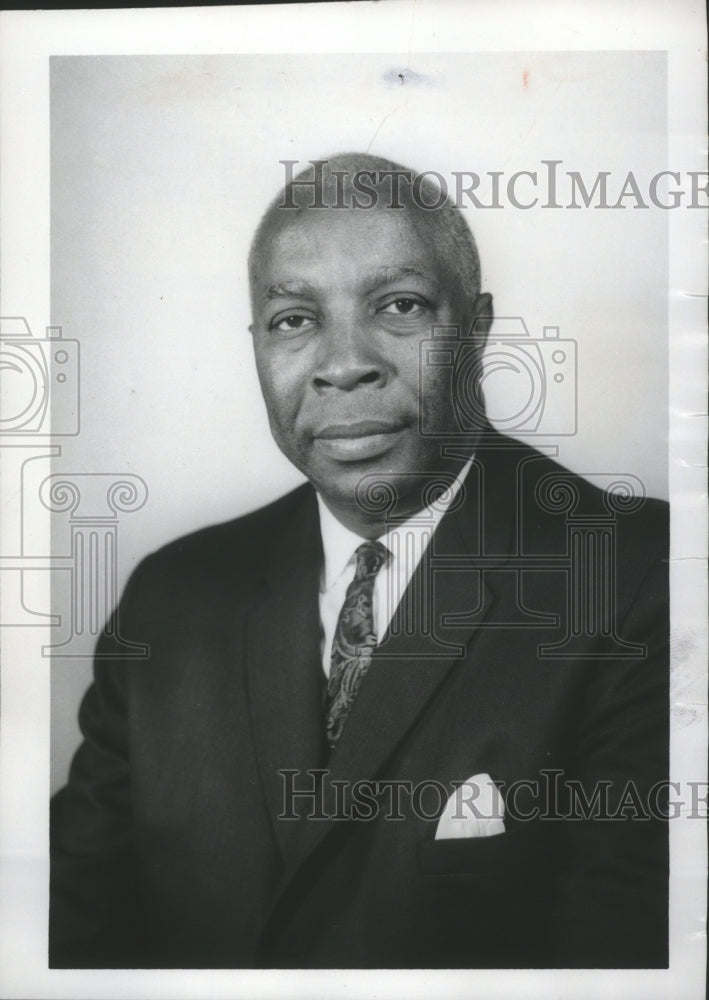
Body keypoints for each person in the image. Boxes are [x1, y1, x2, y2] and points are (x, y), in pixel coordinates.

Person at [50, 153, 669, 969]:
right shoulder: (171, 598)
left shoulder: (639, 576)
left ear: (477, 331)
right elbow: (70, 937)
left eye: (400, 306)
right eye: (293, 320)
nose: (343, 364)